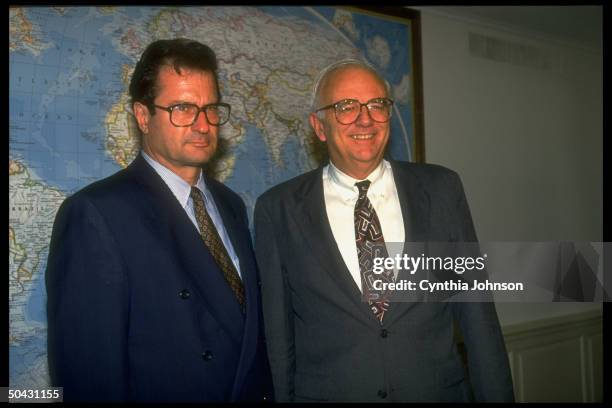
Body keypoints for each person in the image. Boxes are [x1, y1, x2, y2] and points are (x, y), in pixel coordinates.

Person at [254, 59, 514, 402]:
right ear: (319, 126)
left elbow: (477, 313)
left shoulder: (441, 189)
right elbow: (277, 332)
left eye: (377, 104)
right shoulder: (279, 208)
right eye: (346, 107)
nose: (366, 118)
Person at [46, 38, 272, 402]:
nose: (202, 124)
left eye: (210, 108)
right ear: (142, 115)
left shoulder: (231, 205)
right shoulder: (97, 214)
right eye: (183, 108)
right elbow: (88, 377)